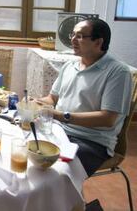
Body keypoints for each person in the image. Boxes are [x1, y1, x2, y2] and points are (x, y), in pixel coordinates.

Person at [36, 18, 132, 176]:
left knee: (53, 172)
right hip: (58, 131)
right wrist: (35, 103)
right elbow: (52, 99)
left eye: (80, 36)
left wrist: (61, 116)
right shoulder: (69, 66)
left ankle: (65, 200)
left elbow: (108, 118)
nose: (73, 40)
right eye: (72, 35)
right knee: (25, 150)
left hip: (91, 142)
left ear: (98, 42)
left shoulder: (117, 72)